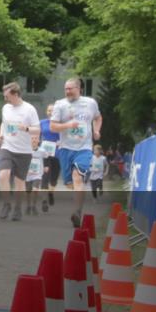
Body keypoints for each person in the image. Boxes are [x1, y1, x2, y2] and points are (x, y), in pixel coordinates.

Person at [50, 77, 103, 228]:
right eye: (65, 89)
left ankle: (77, 212)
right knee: (69, 183)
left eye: (70, 88)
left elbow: (98, 118)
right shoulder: (60, 104)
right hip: (66, 149)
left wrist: (97, 130)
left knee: (77, 177)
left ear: (79, 88)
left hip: (84, 148)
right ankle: (77, 199)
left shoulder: (90, 103)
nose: (67, 91)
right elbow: (53, 126)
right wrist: (67, 125)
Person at [0, 82, 40, 221]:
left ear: (15, 94)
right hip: (7, 147)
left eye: (7, 96)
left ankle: (17, 208)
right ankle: (6, 204)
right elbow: (4, 123)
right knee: (3, 175)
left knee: (19, 182)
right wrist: (1, 134)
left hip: (24, 151)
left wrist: (26, 129)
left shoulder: (29, 109)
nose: (5, 99)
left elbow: (37, 129)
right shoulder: (6, 108)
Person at [39, 103, 60, 212]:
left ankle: (51, 193)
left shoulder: (60, 124)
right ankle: (44, 201)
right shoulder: (42, 123)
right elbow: (36, 135)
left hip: (57, 153)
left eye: (52, 110)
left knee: (53, 180)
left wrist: (59, 143)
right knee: (44, 177)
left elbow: (66, 138)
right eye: (48, 110)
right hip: (45, 153)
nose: (50, 112)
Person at [24, 125, 49, 216]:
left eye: (36, 138)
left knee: (35, 189)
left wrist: (46, 166)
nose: (34, 140)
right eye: (32, 138)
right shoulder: (26, 150)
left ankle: (34, 206)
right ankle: (28, 206)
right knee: (28, 191)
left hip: (37, 174)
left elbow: (47, 157)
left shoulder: (42, 151)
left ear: (38, 141)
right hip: (27, 174)